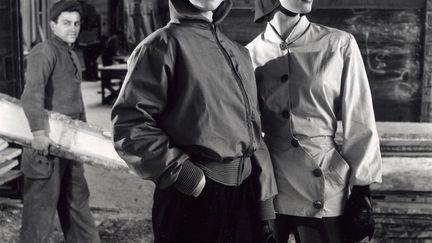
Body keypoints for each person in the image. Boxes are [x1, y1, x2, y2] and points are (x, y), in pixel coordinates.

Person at [111, 0, 278, 242]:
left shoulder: (239, 53)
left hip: (244, 197)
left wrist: (264, 204)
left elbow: (253, 133)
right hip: (195, 195)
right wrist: (186, 176)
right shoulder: (160, 46)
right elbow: (130, 126)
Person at [246, 0, 382, 242]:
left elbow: (360, 119)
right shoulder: (249, 54)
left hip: (325, 185)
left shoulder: (339, 43)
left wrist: (362, 189)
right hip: (271, 188)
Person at [20, 1, 100, 242]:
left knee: (77, 202)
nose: (72, 28)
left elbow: (77, 101)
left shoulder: (72, 54)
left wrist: (86, 137)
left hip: (70, 144)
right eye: (66, 23)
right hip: (46, 144)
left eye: (76, 23)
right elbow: (31, 94)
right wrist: (38, 133)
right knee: (40, 212)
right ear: (53, 25)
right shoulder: (44, 51)